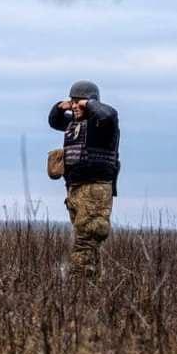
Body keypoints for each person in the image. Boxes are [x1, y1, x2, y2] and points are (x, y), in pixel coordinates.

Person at [48, 80, 120, 280]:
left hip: (95, 189)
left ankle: (78, 288)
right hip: (75, 190)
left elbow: (109, 113)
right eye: (73, 102)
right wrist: (60, 106)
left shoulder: (104, 125)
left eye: (79, 102)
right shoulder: (75, 124)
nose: (75, 106)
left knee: (86, 240)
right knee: (85, 241)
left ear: (91, 102)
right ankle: (91, 287)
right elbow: (54, 121)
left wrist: (87, 103)